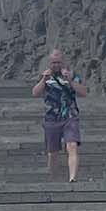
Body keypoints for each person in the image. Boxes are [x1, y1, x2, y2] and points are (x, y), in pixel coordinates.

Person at [31, 51, 85, 184]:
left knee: (72, 145)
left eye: (58, 62)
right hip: (51, 117)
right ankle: (53, 177)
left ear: (63, 62)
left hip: (70, 115)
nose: (56, 65)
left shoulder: (72, 75)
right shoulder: (45, 76)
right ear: (49, 63)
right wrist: (44, 80)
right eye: (53, 63)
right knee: (52, 152)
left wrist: (70, 81)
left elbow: (83, 92)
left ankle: (72, 177)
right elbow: (35, 92)